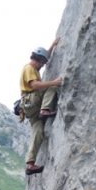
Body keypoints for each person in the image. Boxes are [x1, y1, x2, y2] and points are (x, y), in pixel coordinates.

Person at [19, 37, 63, 175]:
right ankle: (45, 110)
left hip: (30, 109)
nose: (43, 66)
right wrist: (54, 82)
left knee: (38, 132)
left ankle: (30, 164)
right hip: (32, 100)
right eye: (43, 63)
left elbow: (45, 56)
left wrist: (52, 46)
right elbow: (35, 85)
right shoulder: (29, 68)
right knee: (51, 87)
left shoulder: (34, 67)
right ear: (38, 60)